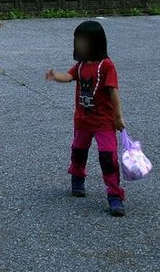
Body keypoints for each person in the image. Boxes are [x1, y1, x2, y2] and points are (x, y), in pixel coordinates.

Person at [45, 20, 127, 217]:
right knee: (78, 151)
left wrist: (118, 117)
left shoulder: (106, 65)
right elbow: (69, 76)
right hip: (83, 120)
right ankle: (77, 177)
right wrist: (56, 76)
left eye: (83, 41)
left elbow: (113, 91)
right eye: (77, 41)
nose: (79, 45)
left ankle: (115, 195)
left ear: (95, 42)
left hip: (104, 122)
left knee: (108, 158)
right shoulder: (81, 66)